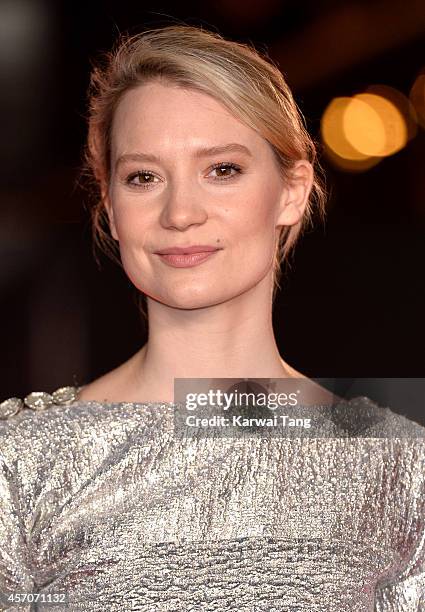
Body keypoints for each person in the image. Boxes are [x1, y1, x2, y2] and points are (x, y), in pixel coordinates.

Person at [1, 24, 424, 611]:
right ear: (112, 208)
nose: (180, 213)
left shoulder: (398, 467)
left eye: (222, 169)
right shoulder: (20, 466)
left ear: (291, 191)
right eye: (143, 177)